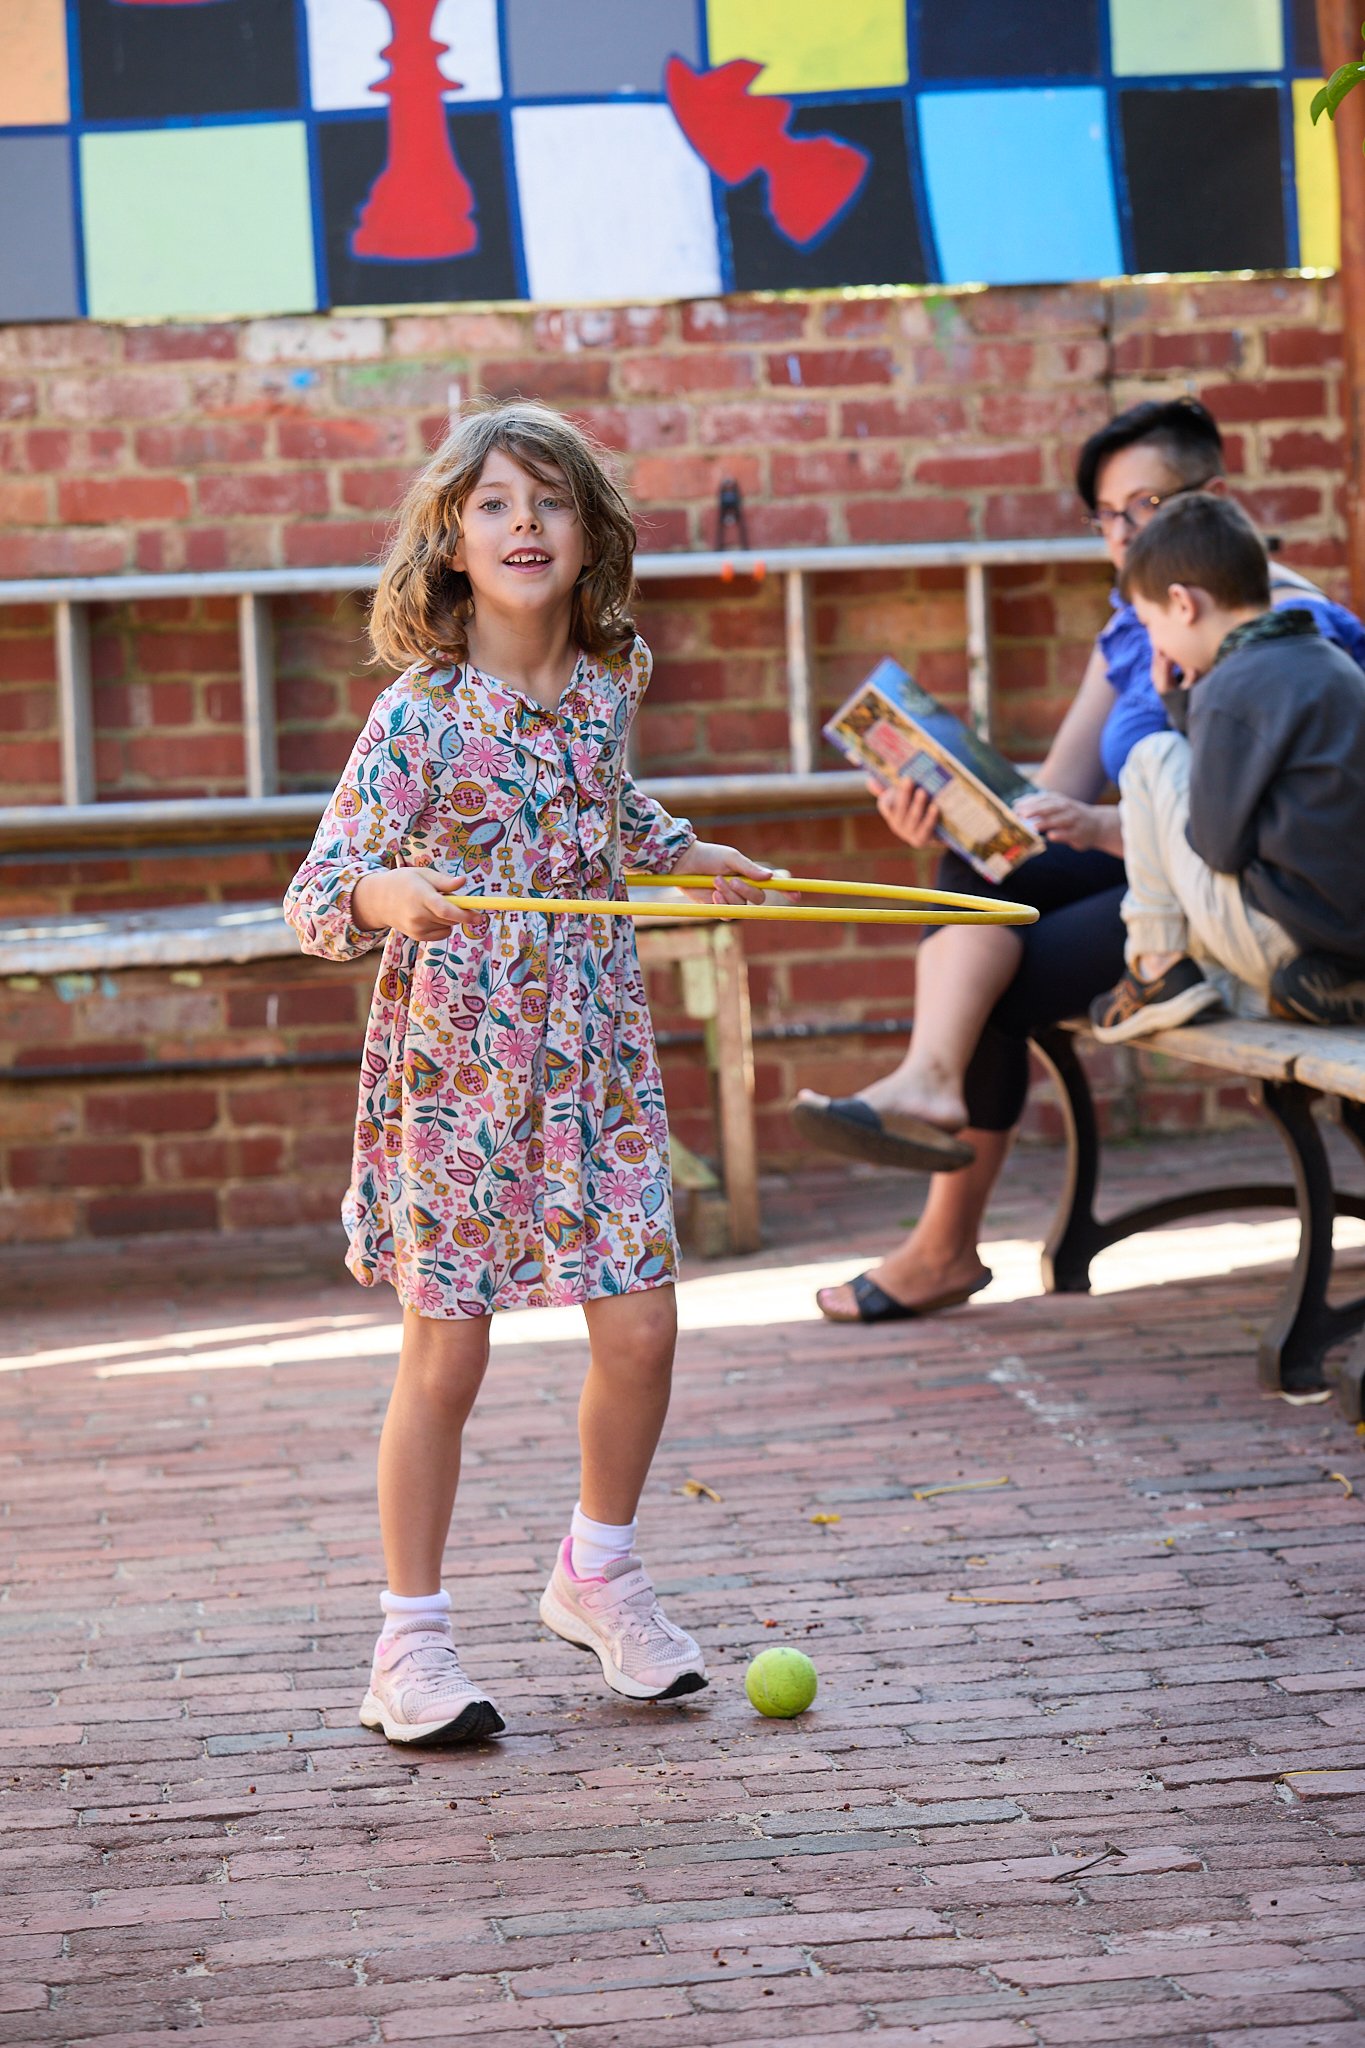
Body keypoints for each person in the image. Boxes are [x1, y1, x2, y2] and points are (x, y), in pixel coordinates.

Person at [284, 400, 770, 1744]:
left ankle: (595, 1570)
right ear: (450, 541)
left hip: (595, 1058)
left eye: (551, 501)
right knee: (447, 1355)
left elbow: (600, 803)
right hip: (462, 1074)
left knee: (644, 1324)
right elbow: (316, 891)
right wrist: (384, 893)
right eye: (493, 504)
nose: (524, 525)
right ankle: (409, 1643)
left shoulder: (614, 678)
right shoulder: (420, 714)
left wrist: (682, 852)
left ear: (590, 533)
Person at [796, 398, 1365, 1325]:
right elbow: (1047, 800)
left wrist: (1102, 824)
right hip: (1149, 859)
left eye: (1145, 507)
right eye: (1106, 516)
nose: (1123, 534)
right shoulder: (1132, 625)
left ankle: (942, 1231)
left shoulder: (1279, 627)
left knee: (995, 980)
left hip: (1233, 892)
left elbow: (1245, 827)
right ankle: (928, 1089)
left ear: (1213, 499)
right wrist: (940, 812)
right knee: (980, 874)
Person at [1089, 495, 1365, 1041]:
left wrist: (1187, 715)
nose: (1156, 644)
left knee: (1151, 757)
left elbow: (1217, 849)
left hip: (1285, 933)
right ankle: (1322, 986)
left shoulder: (1227, 689)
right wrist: (1184, 709)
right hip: (1348, 935)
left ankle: (1153, 965)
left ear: (1182, 604)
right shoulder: (1332, 663)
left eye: (1150, 624)